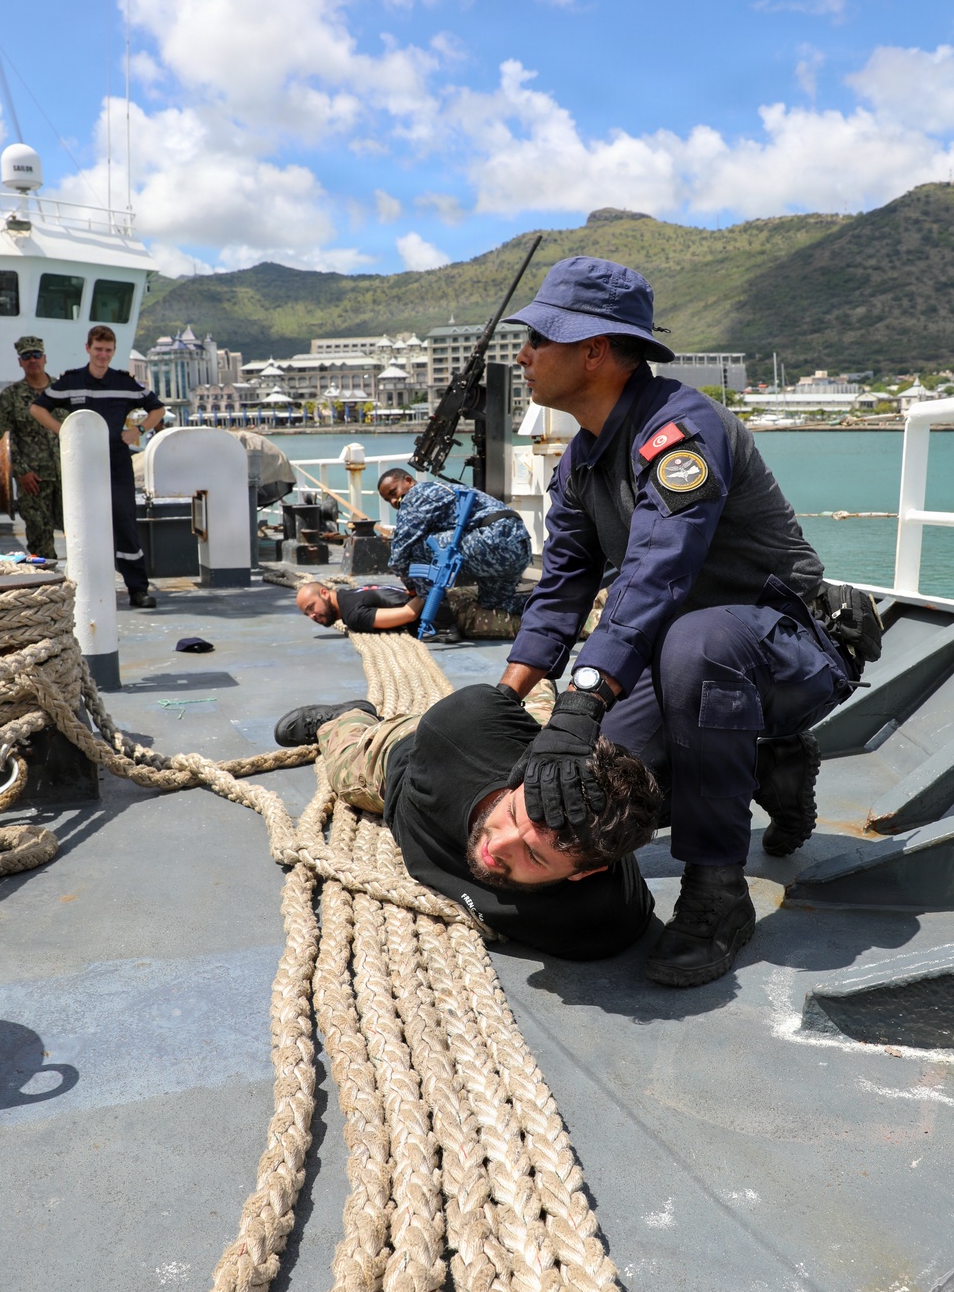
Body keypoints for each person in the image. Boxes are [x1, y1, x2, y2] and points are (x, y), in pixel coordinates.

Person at [496, 255, 872, 989]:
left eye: (539, 338)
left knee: (698, 644)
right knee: (583, 793)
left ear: (594, 350)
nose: (523, 354)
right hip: (683, 663)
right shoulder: (578, 462)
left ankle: (716, 893)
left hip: (788, 653)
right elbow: (564, 587)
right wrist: (505, 701)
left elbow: (655, 573)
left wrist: (580, 703)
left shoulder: (681, 432)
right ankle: (769, 765)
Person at [273, 684, 660, 959]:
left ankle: (543, 700)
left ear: (583, 874)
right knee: (345, 768)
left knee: (538, 720)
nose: (497, 846)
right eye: (511, 814)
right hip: (400, 763)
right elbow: (492, 705)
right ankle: (348, 716)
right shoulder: (460, 726)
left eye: (535, 856)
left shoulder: (602, 920)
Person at [29, 325, 165, 608]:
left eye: (108, 350)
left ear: (113, 352)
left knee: (125, 523)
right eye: (98, 349)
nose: (103, 355)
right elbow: (38, 408)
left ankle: (138, 590)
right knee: (84, 524)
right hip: (82, 464)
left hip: (116, 462)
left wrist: (137, 430)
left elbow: (158, 408)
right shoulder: (71, 381)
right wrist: (63, 431)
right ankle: (85, 589)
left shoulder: (124, 382)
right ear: (88, 348)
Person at [378, 469, 532, 615]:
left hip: (494, 540)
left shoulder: (415, 495)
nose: (393, 501)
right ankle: (549, 605)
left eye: (393, 492)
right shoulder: (441, 488)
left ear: (409, 481)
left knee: (415, 549)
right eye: (388, 500)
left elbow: (400, 552)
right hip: (520, 546)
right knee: (495, 604)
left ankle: (441, 621)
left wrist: (412, 588)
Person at [0, 336, 67, 558]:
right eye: (26, 356)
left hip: (67, 476)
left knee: (79, 532)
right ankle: (48, 587)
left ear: (44, 358)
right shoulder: (9, 398)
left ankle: (85, 587)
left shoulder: (64, 392)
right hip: (34, 481)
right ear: (20, 362)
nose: (32, 360)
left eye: (36, 355)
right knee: (39, 538)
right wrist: (22, 472)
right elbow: (5, 440)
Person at [295, 580, 424, 634]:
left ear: (324, 593)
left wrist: (429, 590)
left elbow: (409, 614)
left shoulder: (353, 614)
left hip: (438, 615)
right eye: (307, 614)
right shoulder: (351, 594)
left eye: (311, 607)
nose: (312, 616)